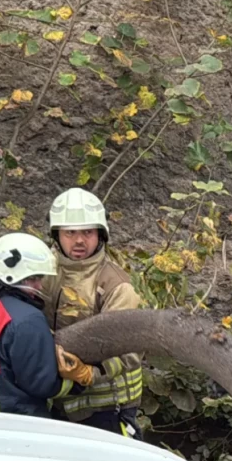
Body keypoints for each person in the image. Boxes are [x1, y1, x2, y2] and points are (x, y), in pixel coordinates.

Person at [0, 232, 96, 417]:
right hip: (18, 432)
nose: (39, 286)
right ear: (12, 276)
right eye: (34, 278)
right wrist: (78, 380)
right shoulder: (25, 319)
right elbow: (43, 384)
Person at [41, 187, 145, 439]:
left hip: (108, 408)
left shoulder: (115, 284)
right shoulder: (43, 272)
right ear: (57, 235)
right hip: (58, 404)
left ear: (101, 234)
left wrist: (90, 374)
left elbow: (130, 351)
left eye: (87, 232)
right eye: (70, 233)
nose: (78, 240)